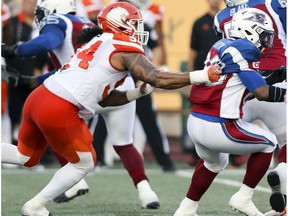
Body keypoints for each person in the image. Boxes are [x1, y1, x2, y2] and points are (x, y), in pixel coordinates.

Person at [1, 2, 221, 215]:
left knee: (25, 156)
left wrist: (136, 93)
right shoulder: (123, 47)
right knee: (84, 163)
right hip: (59, 104)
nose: (137, 28)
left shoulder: (97, 42)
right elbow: (158, 78)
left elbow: (103, 99)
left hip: (40, 97)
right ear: (120, 24)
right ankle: (35, 205)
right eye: (133, 23)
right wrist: (201, 76)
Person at [174, 8, 286, 216]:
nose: (266, 42)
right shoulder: (245, 48)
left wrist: (272, 78)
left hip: (196, 120)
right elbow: (260, 92)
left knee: (215, 163)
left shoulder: (222, 45)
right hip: (218, 125)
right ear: (249, 31)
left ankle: (186, 208)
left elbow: (237, 84)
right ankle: (243, 197)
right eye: (263, 36)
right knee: (269, 143)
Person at [214, 0, 287, 214]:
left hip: (240, 87)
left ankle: (189, 205)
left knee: (213, 153)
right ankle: (282, 172)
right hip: (277, 79)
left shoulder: (220, 18)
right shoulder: (271, 4)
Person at [3, 0, 54, 146]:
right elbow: (9, 47)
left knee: (37, 115)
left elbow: (46, 50)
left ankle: (39, 152)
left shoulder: (44, 24)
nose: (32, 6)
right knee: (13, 113)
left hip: (37, 76)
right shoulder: (12, 22)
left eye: (35, 3)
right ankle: (13, 148)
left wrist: (41, 66)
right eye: (29, 2)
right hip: (15, 74)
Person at [185, 0, 223, 166]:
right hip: (202, 74)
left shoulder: (227, 20)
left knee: (225, 111)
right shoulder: (199, 22)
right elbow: (193, 50)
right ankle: (196, 154)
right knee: (199, 111)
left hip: (224, 73)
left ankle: (233, 154)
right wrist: (190, 76)